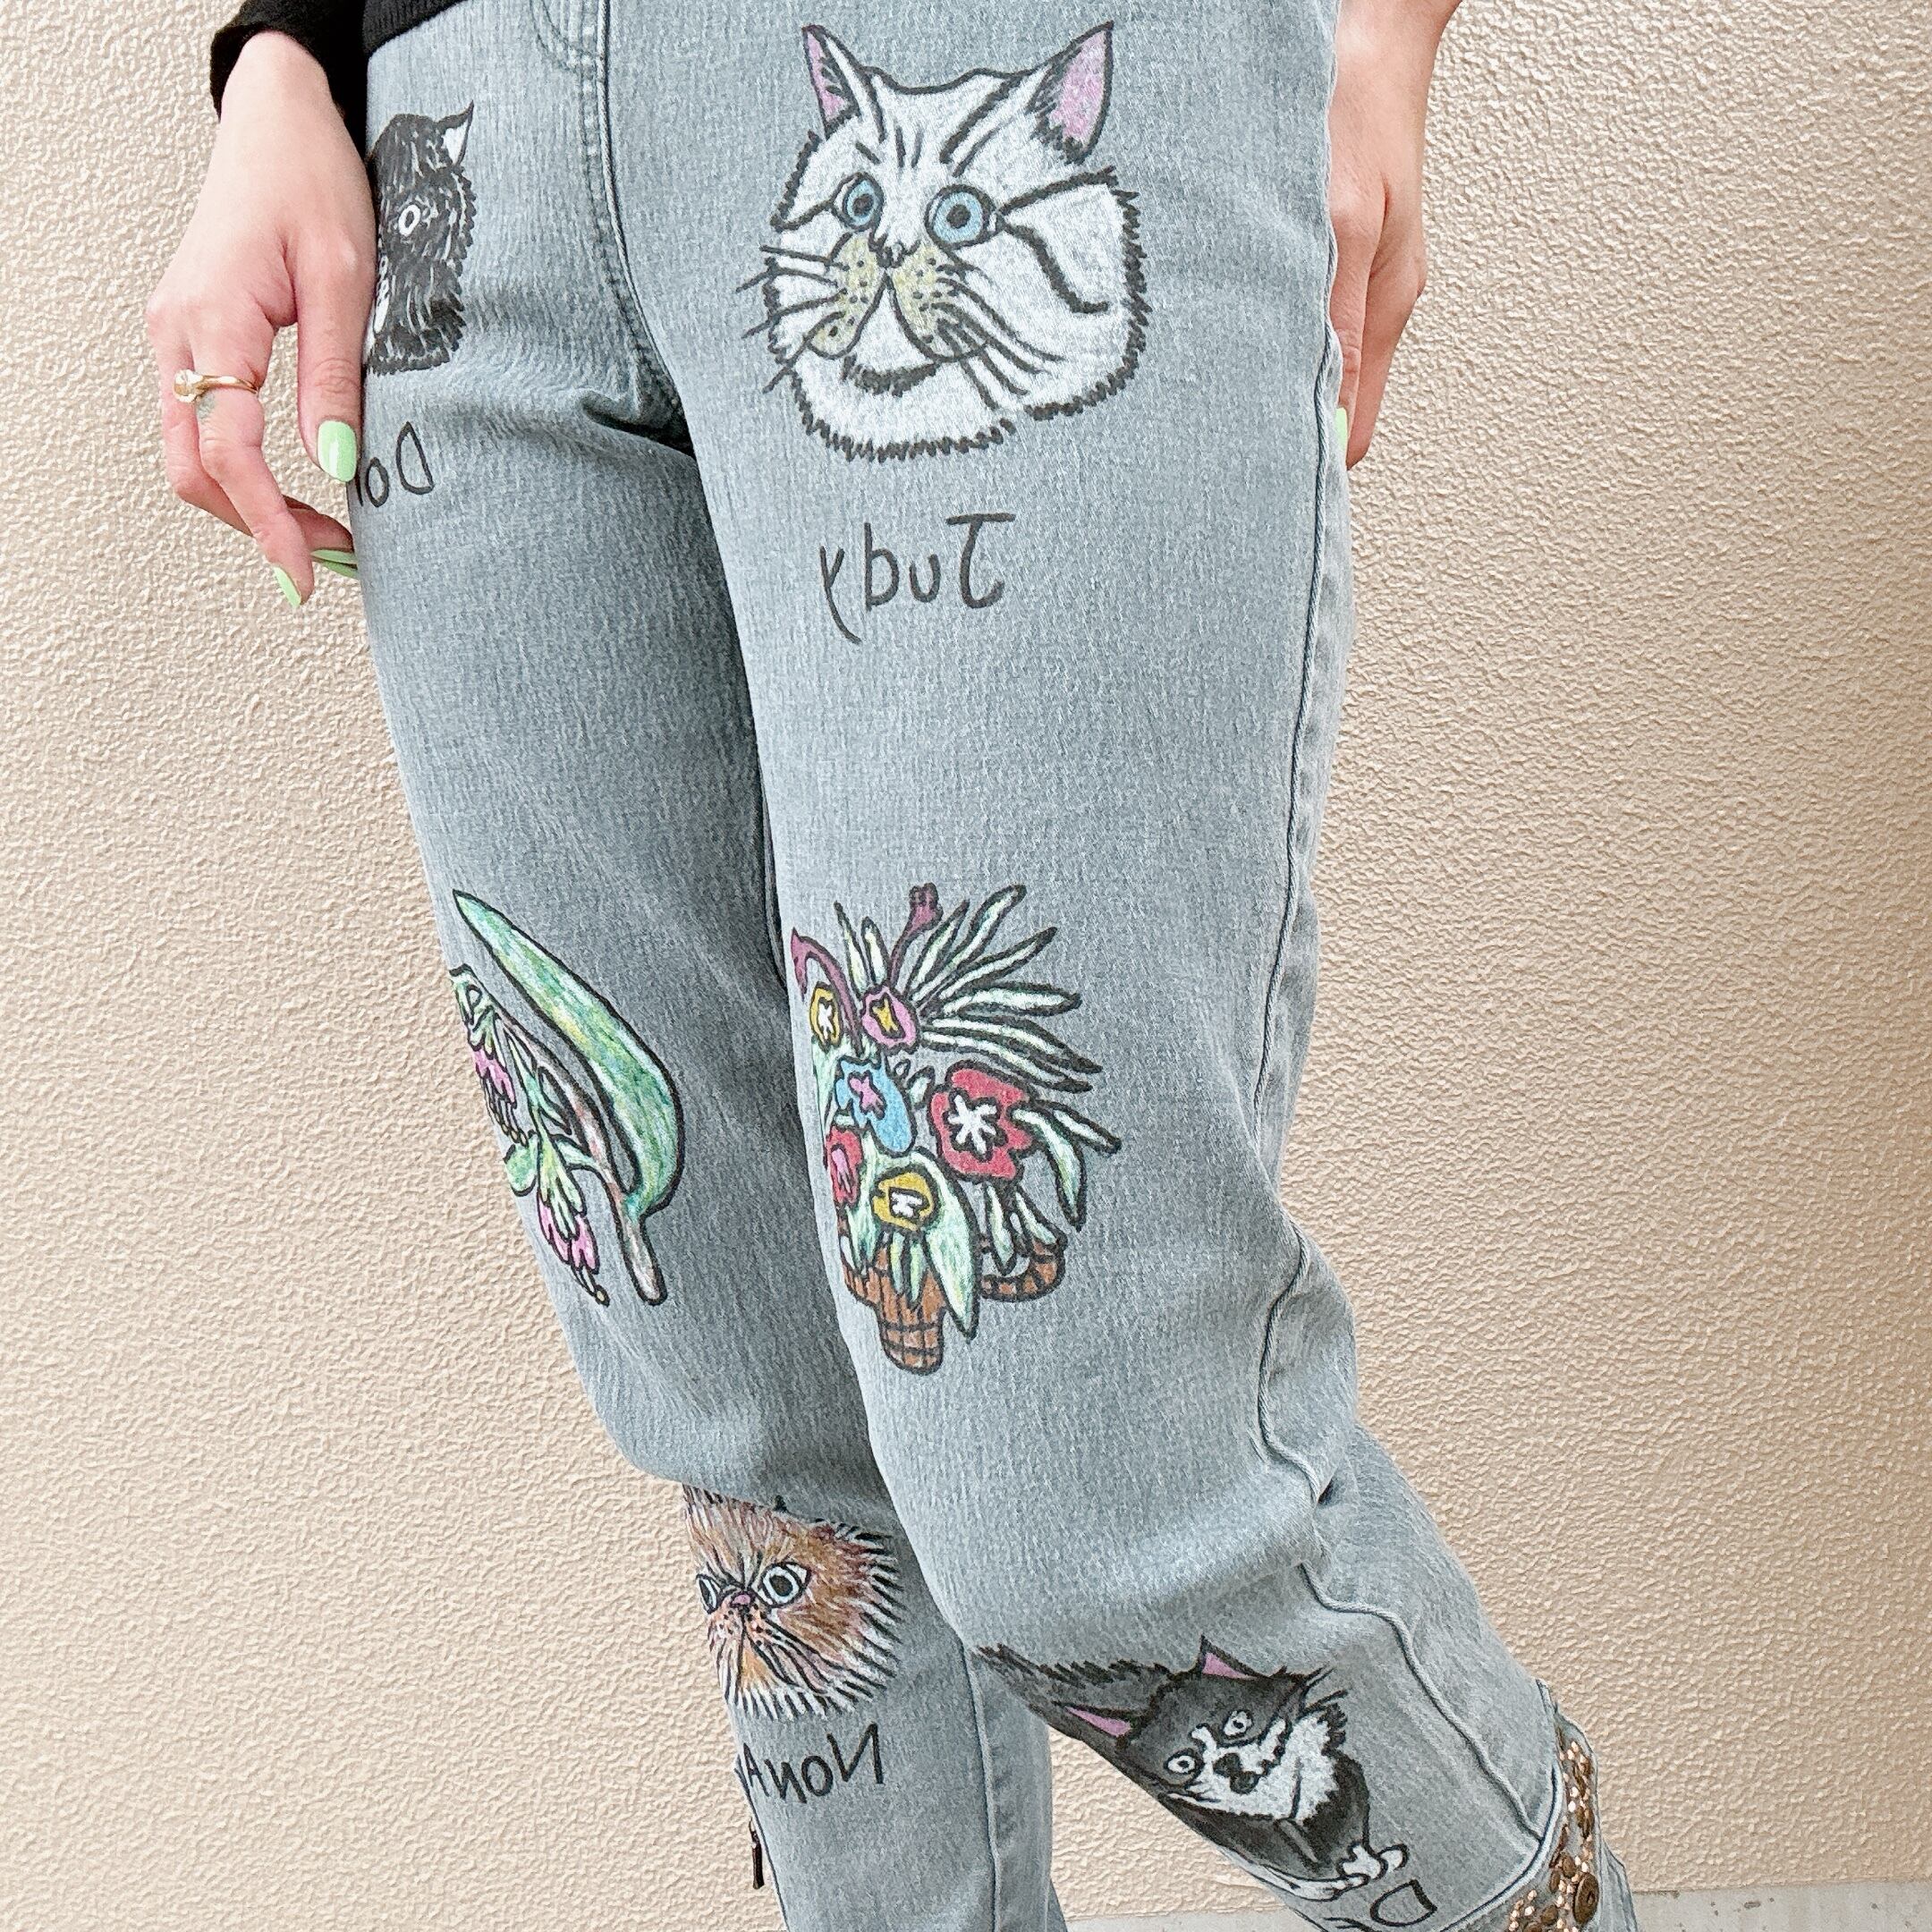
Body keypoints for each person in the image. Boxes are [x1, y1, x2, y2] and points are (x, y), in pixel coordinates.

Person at [148, 4, 1638, 1928]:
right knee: (768, 1475)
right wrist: (279, 53)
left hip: (995, 77)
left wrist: (1385, 33)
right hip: (457, 137)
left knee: (1097, 1495)